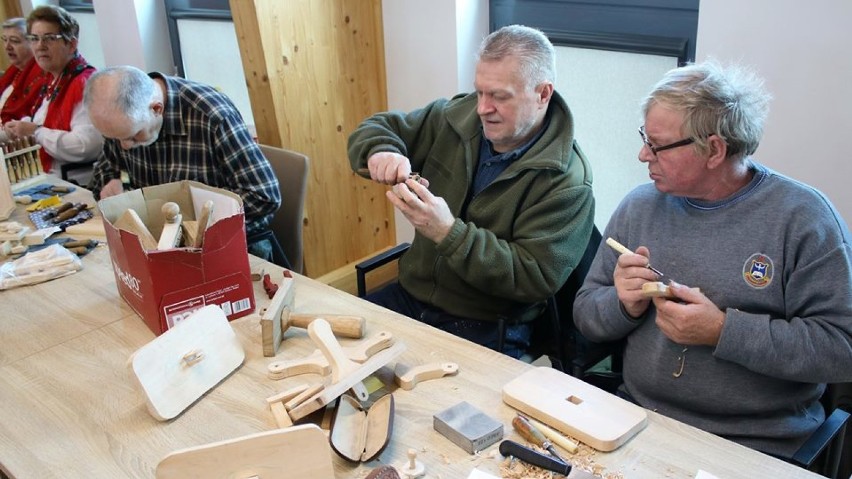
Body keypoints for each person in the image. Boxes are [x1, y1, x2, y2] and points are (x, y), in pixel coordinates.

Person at [573, 61, 852, 460]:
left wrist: (723, 331)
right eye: (644, 137)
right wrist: (624, 304)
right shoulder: (640, 206)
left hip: (754, 446)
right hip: (636, 421)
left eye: (657, 144)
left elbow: (842, 350)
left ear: (714, 150)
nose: (642, 155)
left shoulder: (804, 220)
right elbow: (585, 316)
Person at [348, 25, 595, 359]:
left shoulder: (567, 181)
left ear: (543, 94)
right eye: (480, 92)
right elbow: (378, 127)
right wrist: (381, 150)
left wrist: (448, 233)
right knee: (336, 360)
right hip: (410, 294)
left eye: (499, 96)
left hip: (488, 322)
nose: (482, 108)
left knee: (435, 408)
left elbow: (533, 277)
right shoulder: (456, 115)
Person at [83, 66, 282, 262]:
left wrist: (196, 227)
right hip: (157, 243)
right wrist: (111, 183)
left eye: (134, 136)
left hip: (229, 247)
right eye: (114, 138)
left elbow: (263, 196)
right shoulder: (123, 120)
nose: (124, 147)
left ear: (156, 109)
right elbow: (105, 169)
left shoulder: (211, 115)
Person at [3, 5, 102, 184]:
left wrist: (36, 132)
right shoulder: (51, 79)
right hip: (46, 177)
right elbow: (43, 122)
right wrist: (19, 128)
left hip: (74, 184)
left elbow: (86, 145)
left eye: (49, 38)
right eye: (34, 38)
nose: (40, 46)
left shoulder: (84, 82)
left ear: (71, 44)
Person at [0, 17, 45, 126]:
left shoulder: (42, 74)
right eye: (4, 40)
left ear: (32, 43)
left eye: (14, 41)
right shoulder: (13, 72)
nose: (7, 47)